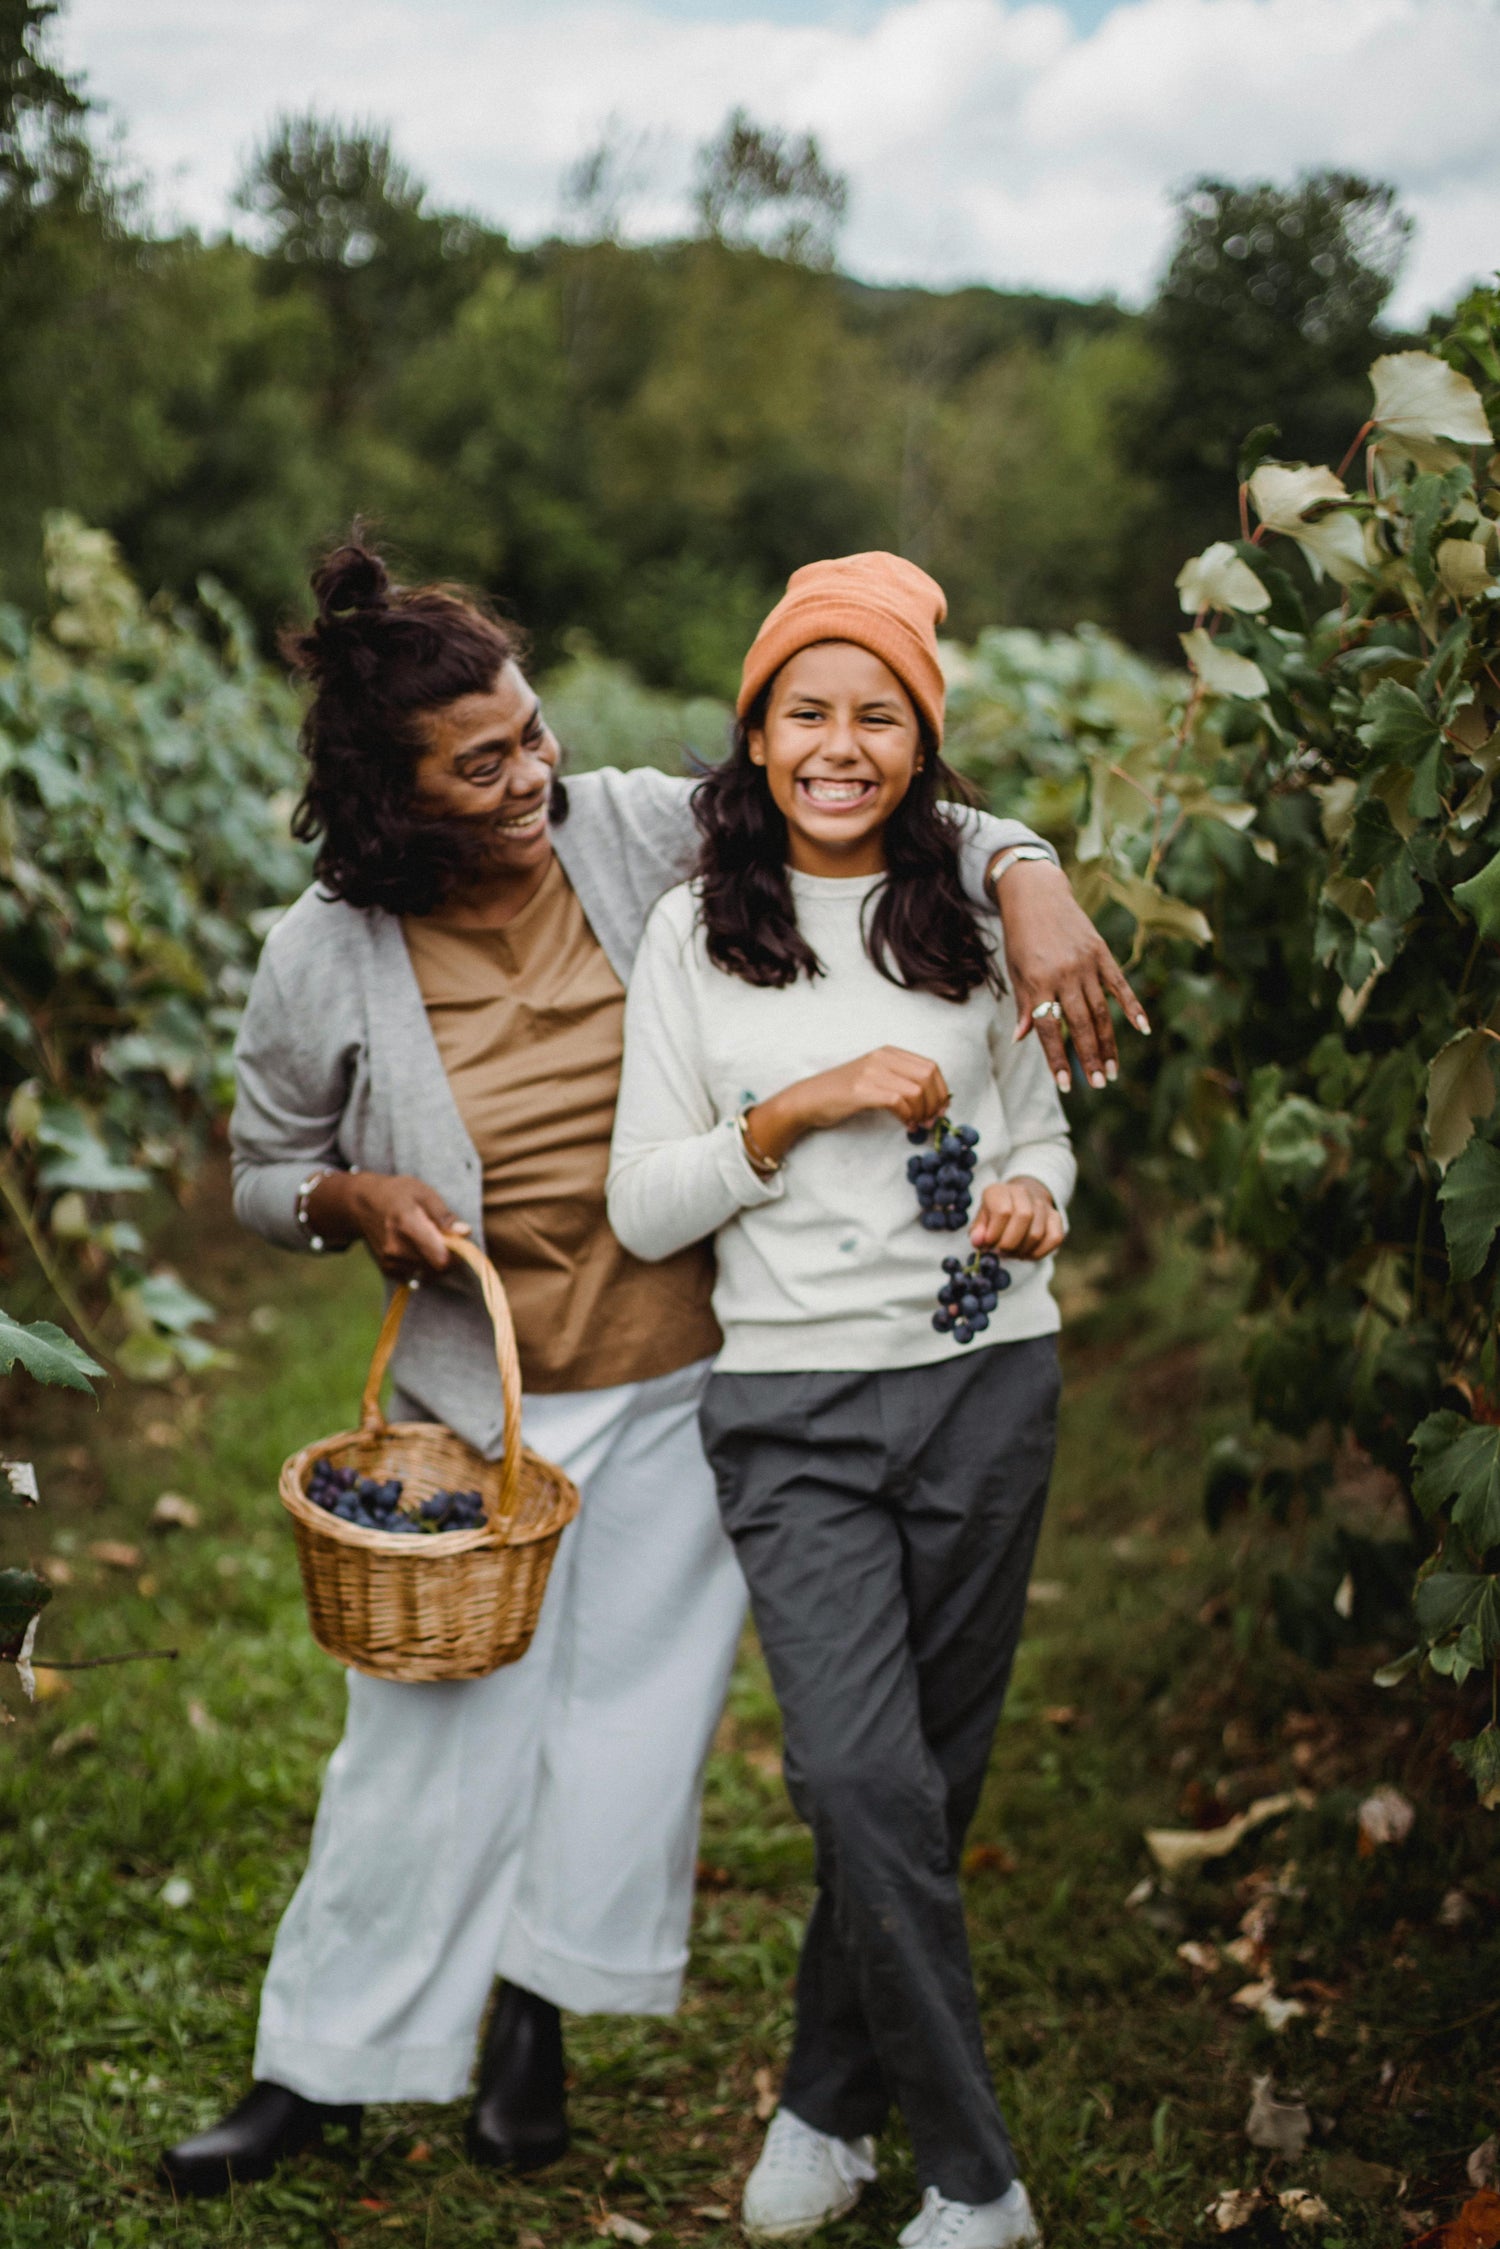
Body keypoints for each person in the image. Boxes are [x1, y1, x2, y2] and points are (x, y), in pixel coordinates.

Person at [160, 536, 1136, 2201]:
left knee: (631, 1729)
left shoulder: (620, 829)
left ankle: (538, 2018)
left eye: (532, 732)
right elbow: (263, 1167)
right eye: (484, 761)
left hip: (693, 1378)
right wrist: (346, 1197)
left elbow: (866, 787)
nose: (534, 773)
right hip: (488, 1410)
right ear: (393, 791)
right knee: (416, 1742)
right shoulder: (323, 953)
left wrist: (1030, 868)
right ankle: (315, 2064)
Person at [607, 553, 1073, 2249]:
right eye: (809, 709)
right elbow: (644, 1201)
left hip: (984, 1381)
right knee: (857, 1775)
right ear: (756, 733)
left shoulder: (961, 902)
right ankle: (977, 2170)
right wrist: (791, 1109)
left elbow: (1041, 1125)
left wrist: (1038, 1197)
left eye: (880, 716)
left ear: (921, 746)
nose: (841, 743)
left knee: (923, 1787)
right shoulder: (693, 931)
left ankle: (826, 2098)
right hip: (793, 1410)